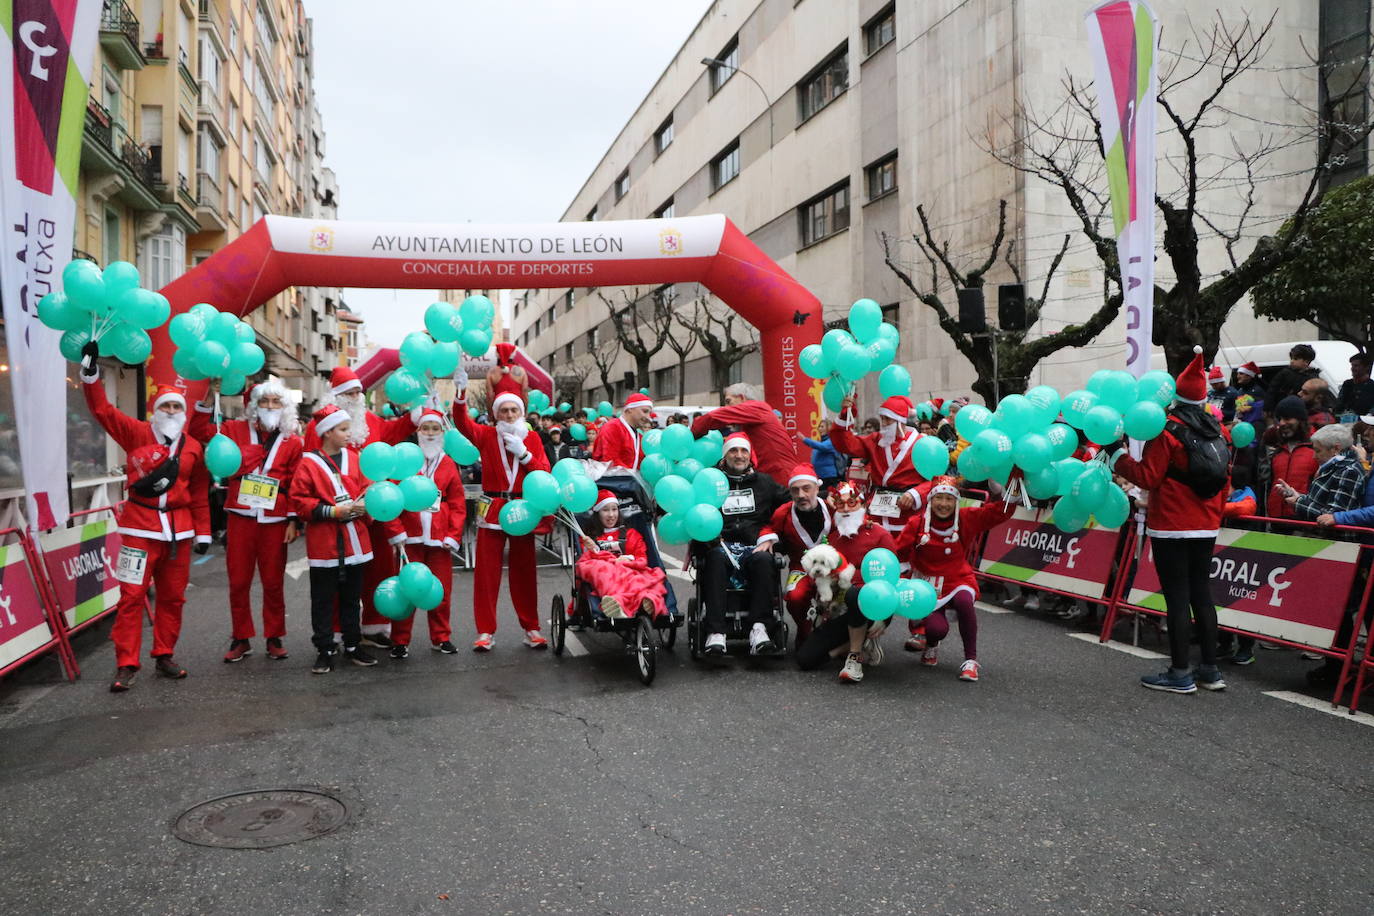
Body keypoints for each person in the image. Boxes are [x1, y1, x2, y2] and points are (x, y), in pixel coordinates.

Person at [80, 346, 209, 692]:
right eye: (165, 405)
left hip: (178, 533)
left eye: (176, 406)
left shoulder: (193, 446)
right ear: (155, 410)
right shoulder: (135, 432)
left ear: (183, 412)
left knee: (173, 597)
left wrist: (204, 532)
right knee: (131, 596)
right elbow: (102, 410)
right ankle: (126, 663)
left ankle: (164, 653)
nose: (170, 411)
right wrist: (91, 373)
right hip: (139, 529)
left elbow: (198, 492)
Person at [1112, 346, 1233, 694]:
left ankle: (1180, 672)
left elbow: (1147, 477)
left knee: (1177, 598)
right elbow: (1225, 480)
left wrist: (1117, 456)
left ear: (1175, 397)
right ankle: (1210, 671)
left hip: (1172, 524)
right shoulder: (1220, 430)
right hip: (1207, 522)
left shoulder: (1165, 430)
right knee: (1202, 595)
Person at [189, 379, 303, 663]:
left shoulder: (293, 440)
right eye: (264, 401)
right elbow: (198, 431)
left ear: (284, 406)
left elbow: (296, 482)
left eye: (276, 401)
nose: (269, 406)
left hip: (275, 519)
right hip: (240, 516)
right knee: (238, 581)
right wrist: (207, 397)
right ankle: (241, 638)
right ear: (253, 405)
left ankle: (274, 636)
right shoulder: (233, 430)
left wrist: (293, 521)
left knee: (273, 582)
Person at [305, 366, 418, 649]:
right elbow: (308, 469)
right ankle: (336, 631)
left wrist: (414, 416)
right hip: (335, 512)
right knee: (335, 576)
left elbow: (392, 432)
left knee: (377, 568)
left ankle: (372, 626)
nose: (356, 396)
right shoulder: (318, 426)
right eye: (350, 392)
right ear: (336, 395)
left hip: (374, 508)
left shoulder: (368, 420)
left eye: (358, 391)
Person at [290, 405, 395, 674]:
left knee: (352, 597)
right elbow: (300, 502)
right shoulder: (308, 462)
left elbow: (367, 490)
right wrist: (333, 511)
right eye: (343, 429)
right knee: (323, 599)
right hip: (324, 543)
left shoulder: (356, 458)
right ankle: (324, 648)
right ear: (327, 433)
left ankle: (352, 644)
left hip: (356, 541)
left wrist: (365, 507)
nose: (349, 434)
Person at [452, 374, 551, 651]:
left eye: (514, 410)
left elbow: (543, 474)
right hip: (493, 509)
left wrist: (525, 455)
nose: (509, 415)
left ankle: (531, 627)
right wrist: (460, 392)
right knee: (486, 574)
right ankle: (485, 631)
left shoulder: (532, 439)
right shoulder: (485, 435)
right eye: (504, 411)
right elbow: (461, 423)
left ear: (521, 412)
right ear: (496, 415)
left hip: (523, 510)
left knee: (525, 572)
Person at [894, 477, 1013, 682]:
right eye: (939, 498)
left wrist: (1004, 491)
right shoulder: (917, 523)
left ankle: (971, 661)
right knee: (936, 630)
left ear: (956, 501)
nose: (944, 504)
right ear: (931, 500)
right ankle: (932, 644)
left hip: (958, 578)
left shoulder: (966, 517)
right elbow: (899, 553)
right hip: (927, 585)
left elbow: (1000, 512)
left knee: (965, 602)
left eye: (949, 499)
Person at [794, 480, 899, 683]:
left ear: (862, 505)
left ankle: (854, 657)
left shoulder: (880, 535)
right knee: (805, 659)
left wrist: (884, 616)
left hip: (872, 606)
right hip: (839, 609)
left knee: (854, 593)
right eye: (840, 504)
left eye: (852, 503)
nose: (846, 509)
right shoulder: (832, 538)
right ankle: (862, 643)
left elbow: (893, 577)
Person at [695, 432, 788, 656]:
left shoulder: (764, 482)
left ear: (750, 454)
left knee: (765, 560)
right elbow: (694, 511)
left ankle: (759, 629)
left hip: (754, 545)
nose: (739, 456)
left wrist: (772, 535)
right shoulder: (711, 481)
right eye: (733, 451)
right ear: (725, 456)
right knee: (714, 557)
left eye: (743, 450)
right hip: (720, 544)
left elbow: (790, 504)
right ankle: (716, 633)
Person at [391, 409, 467, 659]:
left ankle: (441, 637)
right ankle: (400, 639)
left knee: (440, 590)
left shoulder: (448, 462)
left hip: (439, 537)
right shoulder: (405, 460)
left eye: (436, 428)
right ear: (418, 431)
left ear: (442, 432)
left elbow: (457, 502)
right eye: (427, 428)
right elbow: (390, 498)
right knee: (406, 590)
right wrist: (396, 531)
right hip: (409, 536)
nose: (431, 433)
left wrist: (453, 535)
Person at [758, 465, 833, 645]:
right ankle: (806, 630)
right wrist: (767, 539)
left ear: (817, 488)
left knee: (841, 597)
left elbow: (854, 517)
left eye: (806, 488)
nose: (801, 495)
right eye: (795, 490)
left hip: (833, 568)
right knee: (794, 597)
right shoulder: (783, 512)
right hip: (801, 567)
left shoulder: (832, 507)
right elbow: (769, 527)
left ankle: (835, 634)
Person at [575, 490, 668, 619]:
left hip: (630, 570)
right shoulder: (589, 537)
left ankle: (643, 601)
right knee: (601, 568)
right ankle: (618, 603)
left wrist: (628, 559)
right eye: (605, 510)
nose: (611, 515)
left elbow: (642, 559)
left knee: (647, 578)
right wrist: (590, 548)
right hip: (605, 572)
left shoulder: (631, 534)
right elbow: (584, 561)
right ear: (597, 513)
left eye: (614, 509)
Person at [690, 383, 801, 485]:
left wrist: (690, 436)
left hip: (781, 476)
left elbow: (713, 417)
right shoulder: (759, 412)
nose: (727, 407)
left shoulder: (755, 407)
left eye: (729, 401)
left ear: (742, 397)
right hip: (777, 473)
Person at [1279, 423, 1364, 520]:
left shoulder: (1348, 471)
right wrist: (1295, 495)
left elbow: (1334, 516)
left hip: (1329, 535)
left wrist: (1298, 502)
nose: (1314, 456)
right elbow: (1318, 502)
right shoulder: (1334, 467)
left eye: (1318, 451)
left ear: (1336, 448)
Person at [1262, 397, 1317, 519]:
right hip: (1275, 519)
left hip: (1303, 520)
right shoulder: (1277, 450)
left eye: (1287, 418)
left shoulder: (1316, 448)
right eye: (1280, 419)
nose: (1282, 423)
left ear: (1300, 420)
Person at [592, 391, 654, 471]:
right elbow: (611, 462)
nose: (648, 417)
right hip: (613, 482)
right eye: (645, 411)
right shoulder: (612, 428)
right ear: (630, 409)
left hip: (628, 482)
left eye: (650, 413)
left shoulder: (639, 436)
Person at [1266, 344, 1320, 408]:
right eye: (1291, 358)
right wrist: (1268, 407)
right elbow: (1272, 390)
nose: (1291, 361)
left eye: (1295, 359)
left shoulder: (1313, 378)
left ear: (1306, 361)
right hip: (1282, 407)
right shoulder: (1285, 373)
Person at [799, 419, 845, 491]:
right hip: (820, 476)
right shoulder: (821, 441)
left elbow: (822, 447)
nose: (819, 429)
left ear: (829, 428)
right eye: (819, 426)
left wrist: (805, 440)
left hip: (829, 477)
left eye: (822, 426)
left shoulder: (831, 441)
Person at [1336, 353, 1374, 420]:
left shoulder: (1372, 386)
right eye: (1352, 365)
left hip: (1363, 424)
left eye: (1356, 366)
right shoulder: (1347, 384)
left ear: (1367, 367)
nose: (1352, 368)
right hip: (1343, 421)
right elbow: (1339, 404)